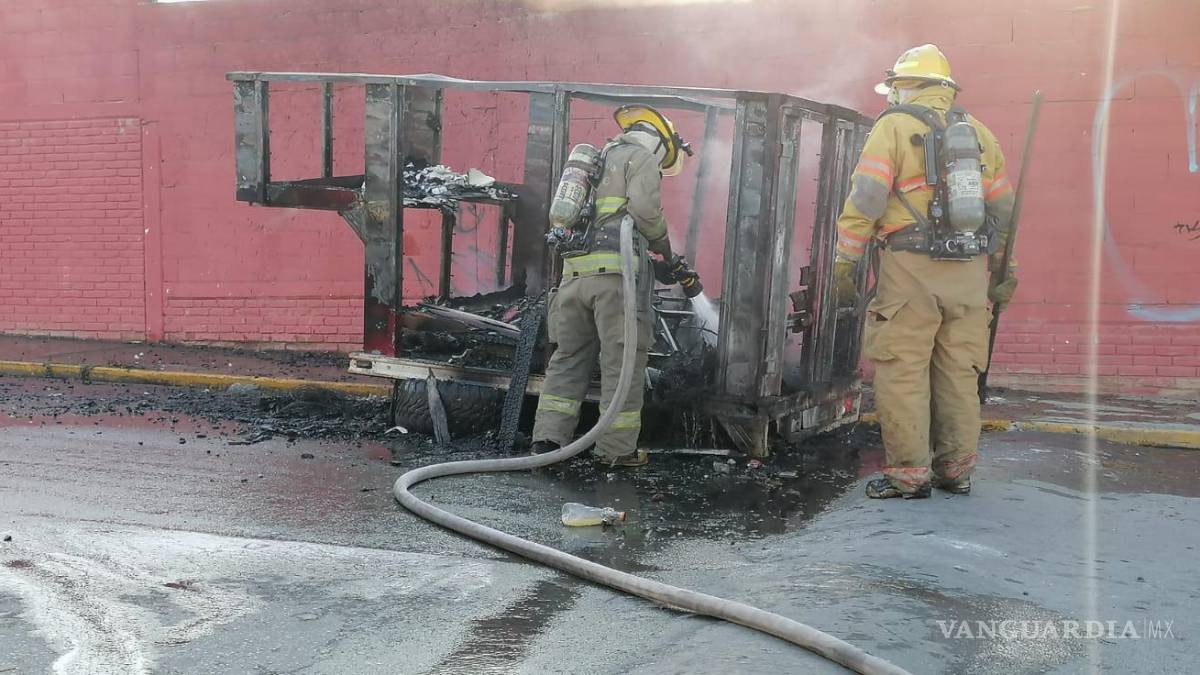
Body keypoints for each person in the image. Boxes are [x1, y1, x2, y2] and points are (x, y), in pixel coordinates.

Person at [833, 44, 1018, 498]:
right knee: (960, 371)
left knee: (903, 368)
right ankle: (955, 470)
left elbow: (867, 199)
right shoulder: (979, 133)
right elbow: (1004, 210)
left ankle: (909, 475)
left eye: (894, 86)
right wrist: (1003, 270)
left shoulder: (893, 127)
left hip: (911, 269)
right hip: (971, 271)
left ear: (905, 86)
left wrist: (846, 261)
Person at [530, 105, 696, 467]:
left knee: (568, 361)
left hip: (572, 280)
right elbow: (645, 213)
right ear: (659, 145)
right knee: (622, 366)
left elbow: (602, 224)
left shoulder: (595, 162)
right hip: (615, 284)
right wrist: (665, 250)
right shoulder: (641, 159)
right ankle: (616, 452)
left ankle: (547, 442)